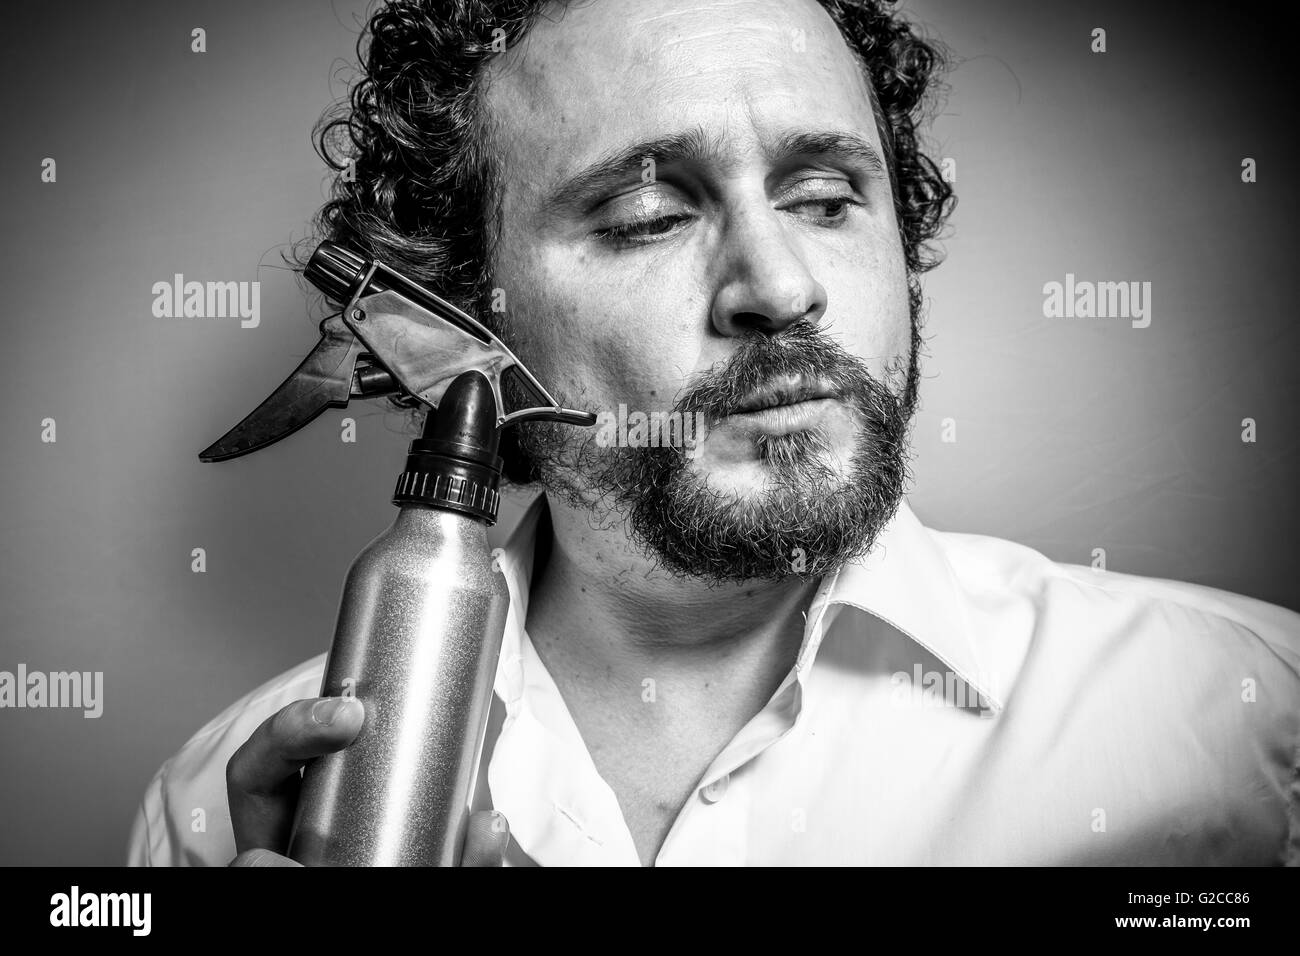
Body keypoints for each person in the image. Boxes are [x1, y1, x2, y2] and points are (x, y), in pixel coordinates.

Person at [129, 0, 1300, 866]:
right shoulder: (213, 813)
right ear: (460, 300)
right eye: (647, 215)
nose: (780, 285)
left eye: (828, 197)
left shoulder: (1243, 721)